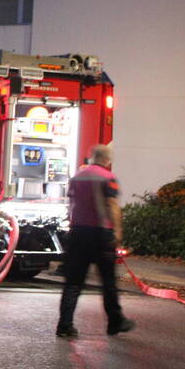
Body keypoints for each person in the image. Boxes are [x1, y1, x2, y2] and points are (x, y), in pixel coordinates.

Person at [56, 144, 135, 338]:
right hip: (101, 235)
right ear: (107, 159)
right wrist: (117, 232)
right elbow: (112, 205)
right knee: (108, 281)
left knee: (73, 282)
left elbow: (71, 203)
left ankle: (65, 325)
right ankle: (115, 322)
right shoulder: (108, 177)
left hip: (77, 233)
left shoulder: (77, 177)